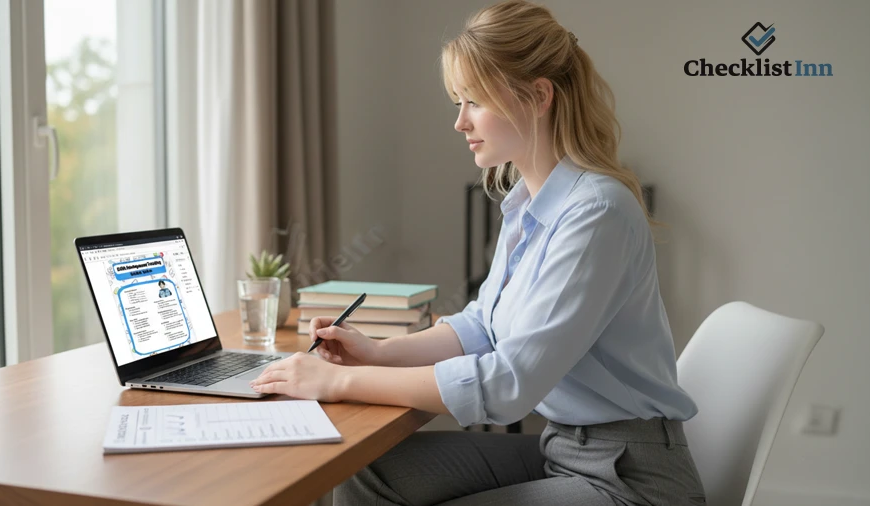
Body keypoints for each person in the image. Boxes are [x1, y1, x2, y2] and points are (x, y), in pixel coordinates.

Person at [249, 1, 705, 504]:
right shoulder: (527, 205)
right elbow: (482, 325)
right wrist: (379, 353)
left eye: (473, 101)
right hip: (565, 449)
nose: (460, 122)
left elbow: (508, 384)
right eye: (458, 102)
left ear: (537, 96)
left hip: (629, 478)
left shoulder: (596, 214)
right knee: (369, 467)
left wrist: (342, 381)